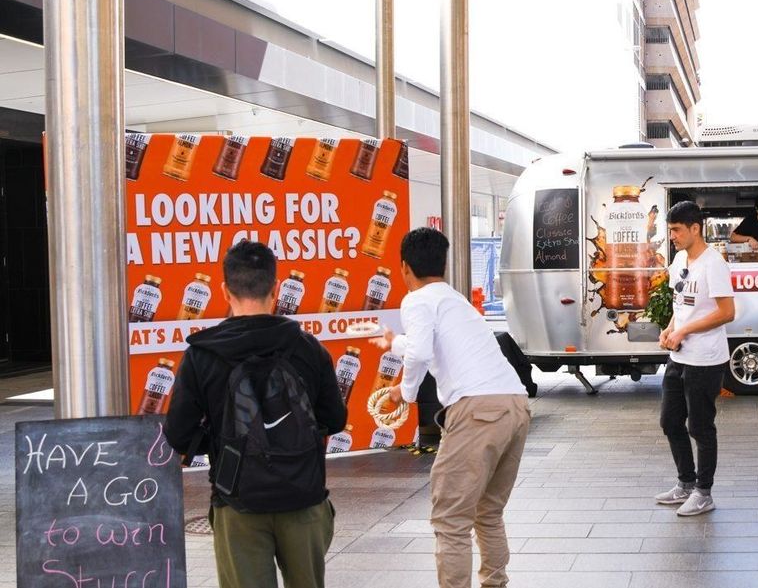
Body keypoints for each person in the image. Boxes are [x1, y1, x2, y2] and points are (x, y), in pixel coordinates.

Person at [164, 241, 347, 588]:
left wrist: (218, 435)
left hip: (238, 502)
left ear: (224, 290)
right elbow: (335, 419)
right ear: (276, 288)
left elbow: (178, 434)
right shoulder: (308, 347)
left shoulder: (202, 354)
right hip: (303, 497)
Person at [369, 227, 531, 588]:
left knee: (450, 518)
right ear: (443, 263)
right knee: (488, 511)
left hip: (477, 410)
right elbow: (425, 345)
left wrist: (403, 393)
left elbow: (423, 353)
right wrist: (396, 344)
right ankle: (494, 582)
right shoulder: (454, 300)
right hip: (515, 405)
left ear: (404, 268)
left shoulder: (416, 300)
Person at [654, 201, 736, 516]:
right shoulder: (679, 260)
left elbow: (727, 313)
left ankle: (704, 493)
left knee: (700, 427)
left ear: (694, 228)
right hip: (680, 355)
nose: (671, 235)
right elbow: (680, 306)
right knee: (670, 421)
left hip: (706, 359)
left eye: (676, 230)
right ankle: (685, 484)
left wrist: (684, 330)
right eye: (670, 229)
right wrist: (669, 329)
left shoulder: (713, 264)